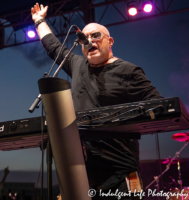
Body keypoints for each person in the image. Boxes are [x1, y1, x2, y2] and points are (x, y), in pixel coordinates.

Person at [31, 3, 163, 199]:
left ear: (110, 41)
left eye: (96, 36)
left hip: (121, 172)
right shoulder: (78, 65)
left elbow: (158, 105)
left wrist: (119, 118)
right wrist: (39, 21)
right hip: (84, 172)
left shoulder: (128, 71)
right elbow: (53, 47)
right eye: (85, 38)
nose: (89, 41)